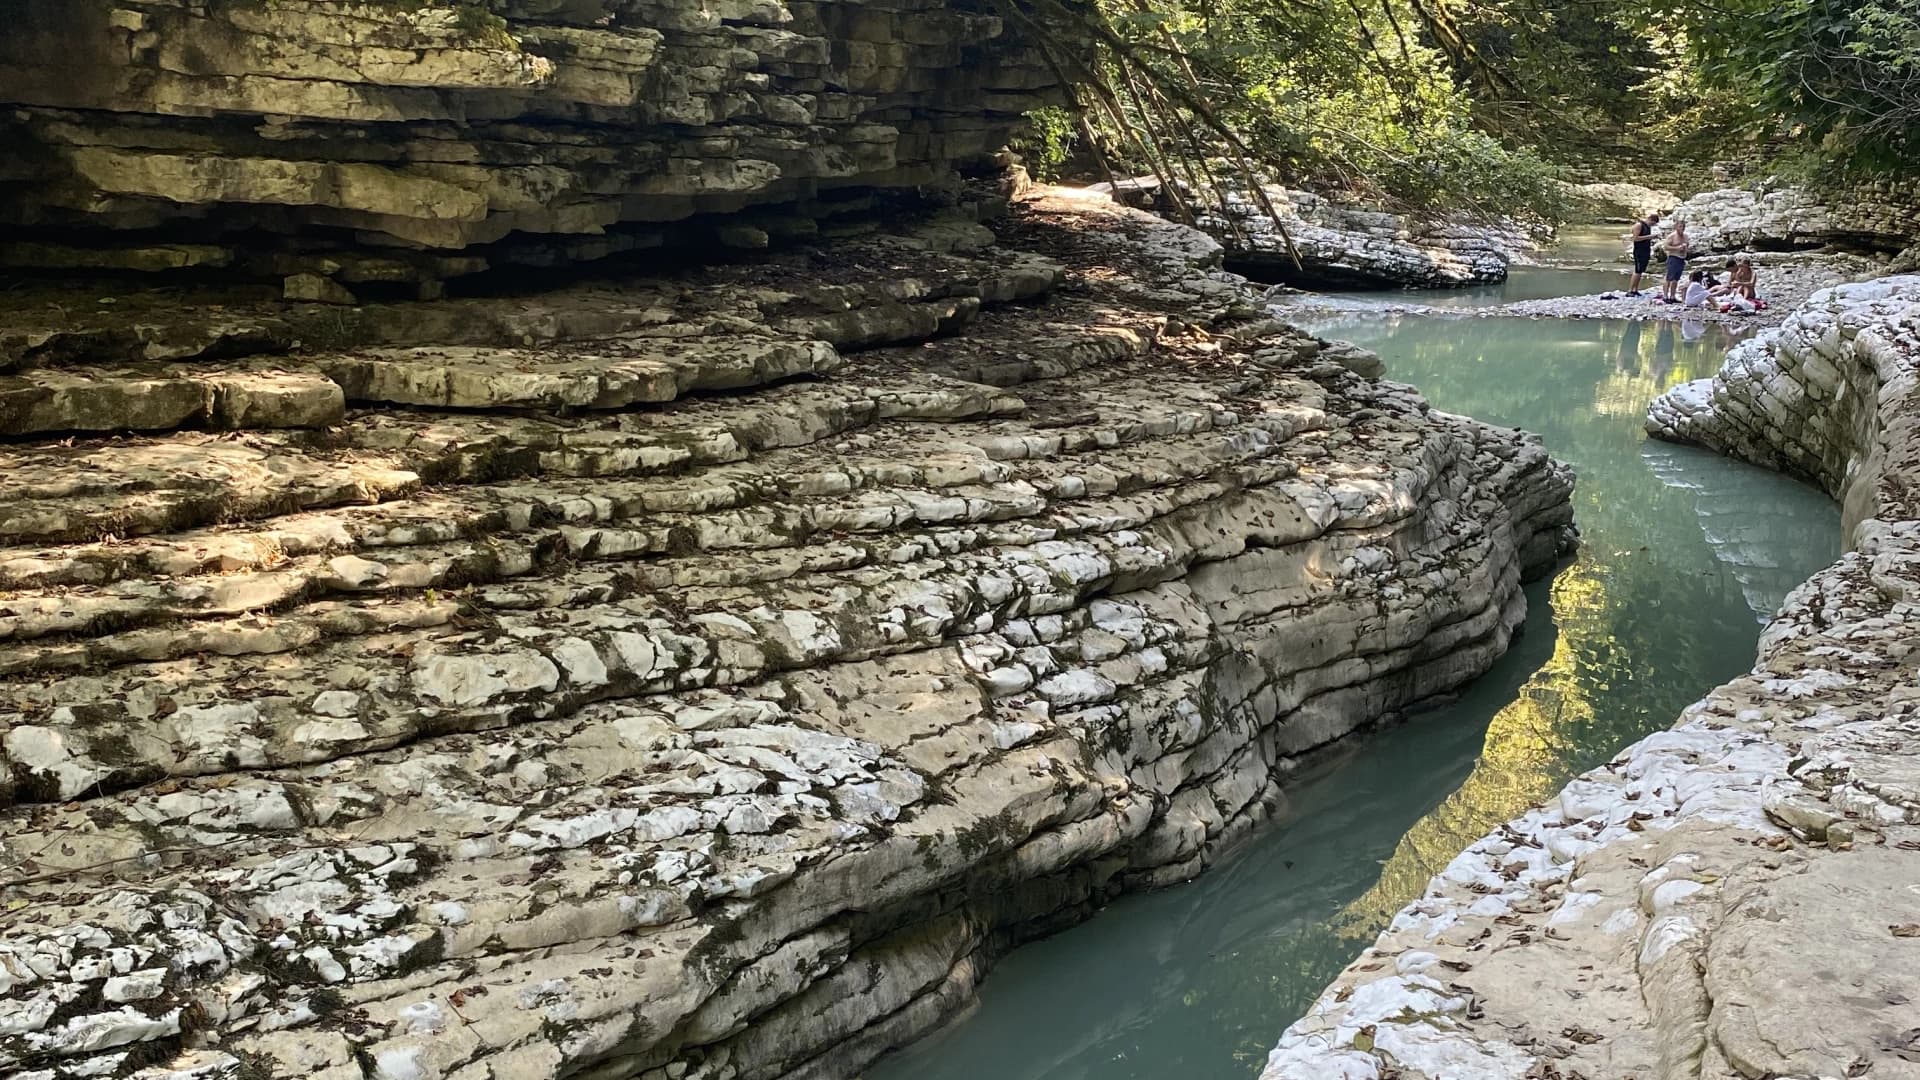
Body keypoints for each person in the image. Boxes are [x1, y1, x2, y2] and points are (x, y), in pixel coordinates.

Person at [1626, 212, 1659, 297]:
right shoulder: (1639, 225)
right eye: (1653, 223)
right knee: (1637, 270)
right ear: (1650, 219)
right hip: (1639, 251)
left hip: (1646, 250)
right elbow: (1635, 238)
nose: (1652, 225)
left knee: (1640, 271)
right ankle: (1630, 290)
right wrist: (1650, 237)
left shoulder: (1647, 227)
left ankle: (1635, 289)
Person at [1661, 219, 1692, 303]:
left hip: (1682, 258)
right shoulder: (1672, 236)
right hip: (1673, 257)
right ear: (1676, 227)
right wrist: (1676, 248)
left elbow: (1687, 245)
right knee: (1669, 277)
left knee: (1676, 279)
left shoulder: (1685, 236)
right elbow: (1665, 247)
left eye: (1683, 227)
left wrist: (1686, 248)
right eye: (1680, 226)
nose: (1682, 228)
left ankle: (1672, 296)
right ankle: (1665, 296)